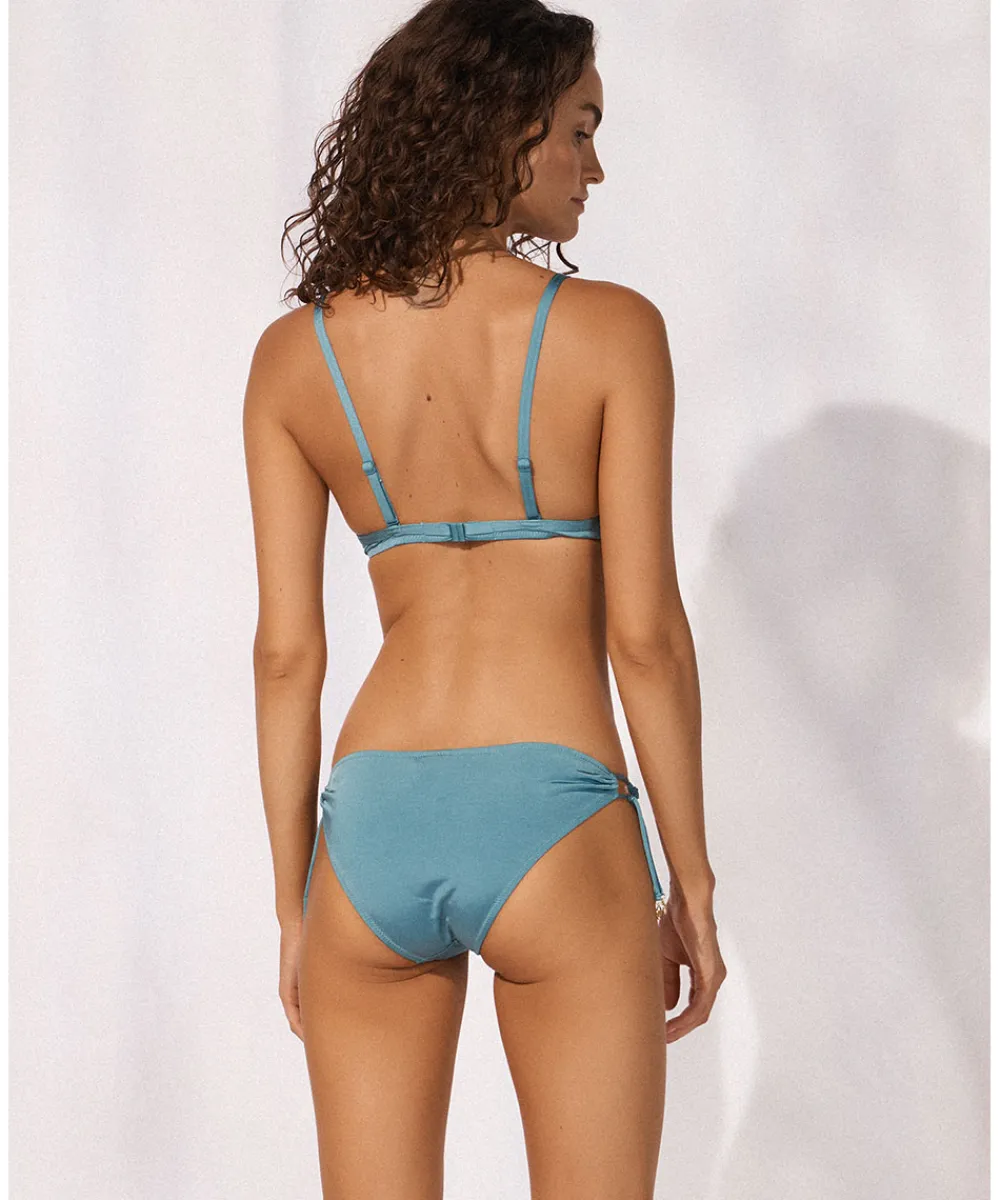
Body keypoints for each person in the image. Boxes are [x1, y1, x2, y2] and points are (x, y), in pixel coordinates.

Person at [243, 1, 726, 1195]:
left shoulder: (295, 359)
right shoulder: (612, 333)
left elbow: (286, 656)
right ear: (503, 130)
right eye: (580, 129)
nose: (594, 167)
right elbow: (645, 639)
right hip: (551, 814)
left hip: (369, 826)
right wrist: (693, 882)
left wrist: (295, 905)